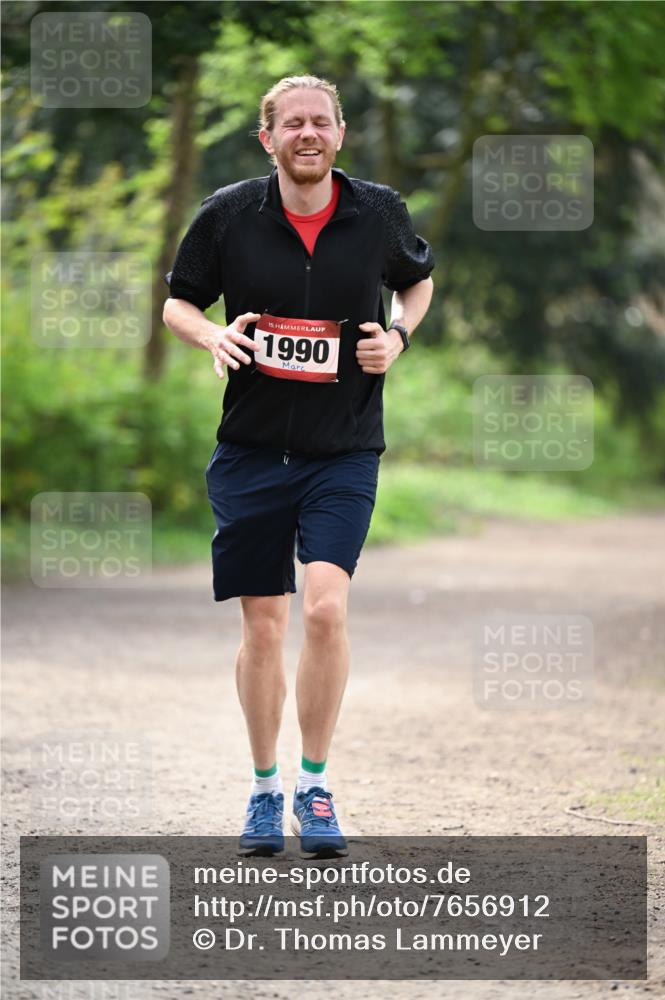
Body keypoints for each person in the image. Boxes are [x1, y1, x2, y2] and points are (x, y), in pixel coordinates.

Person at [163, 75, 434, 859]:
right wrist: (212, 336)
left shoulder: (377, 212)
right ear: (268, 139)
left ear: (340, 134)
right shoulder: (228, 214)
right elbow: (179, 302)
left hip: (341, 451)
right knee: (263, 622)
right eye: (291, 124)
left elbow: (415, 283)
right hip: (250, 452)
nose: (306, 134)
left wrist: (397, 337)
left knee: (323, 610)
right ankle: (262, 788)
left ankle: (314, 787)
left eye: (320, 122)